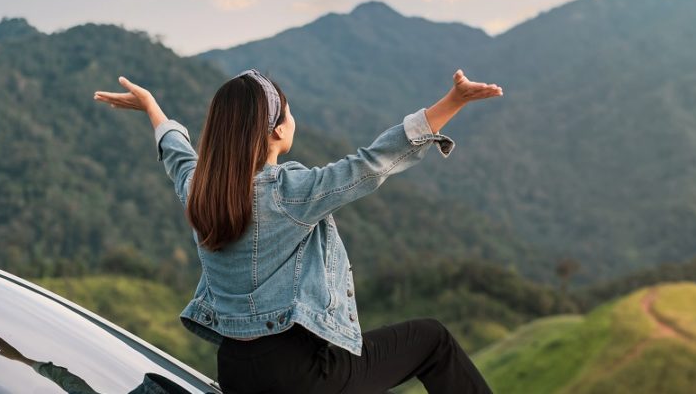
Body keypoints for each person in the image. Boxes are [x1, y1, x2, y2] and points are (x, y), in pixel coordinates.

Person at [93, 68, 502, 393]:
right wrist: (453, 101)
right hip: (301, 374)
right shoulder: (289, 192)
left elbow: (178, 156)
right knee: (432, 341)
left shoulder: (200, 190)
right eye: (287, 111)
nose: (292, 118)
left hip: (237, 370)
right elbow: (371, 163)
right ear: (276, 130)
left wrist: (152, 108)